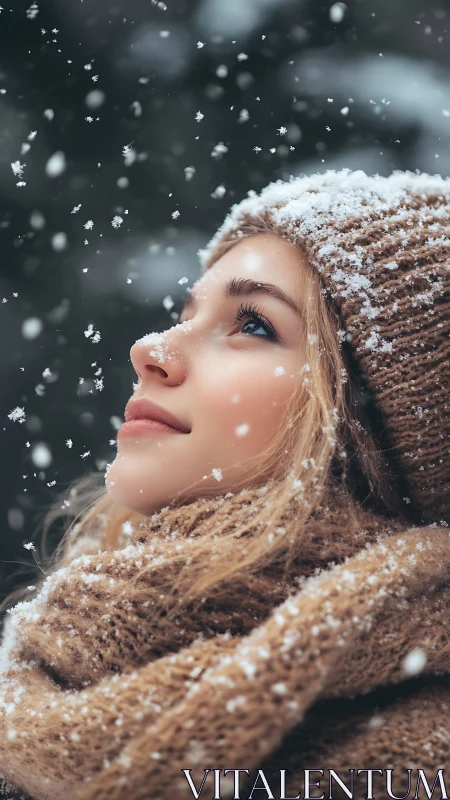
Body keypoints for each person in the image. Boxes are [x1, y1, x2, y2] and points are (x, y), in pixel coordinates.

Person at [0, 167, 449, 800]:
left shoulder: (414, 763)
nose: (151, 349)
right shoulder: (47, 672)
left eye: (254, 324)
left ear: (362, 428)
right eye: (184, 314)